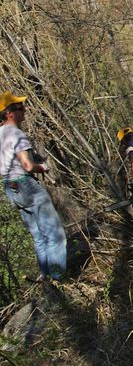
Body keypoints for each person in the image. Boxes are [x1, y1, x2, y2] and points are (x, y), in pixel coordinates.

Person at [0, 92, 67, 281]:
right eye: (21, 108)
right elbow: (27, 165)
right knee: (55, 234)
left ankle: (47, 278)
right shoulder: (16, 134)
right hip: (26, 185)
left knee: (38, 236)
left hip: (10, 187)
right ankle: (59, 278)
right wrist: (42, 167)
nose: (25, 110)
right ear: (10, 113)